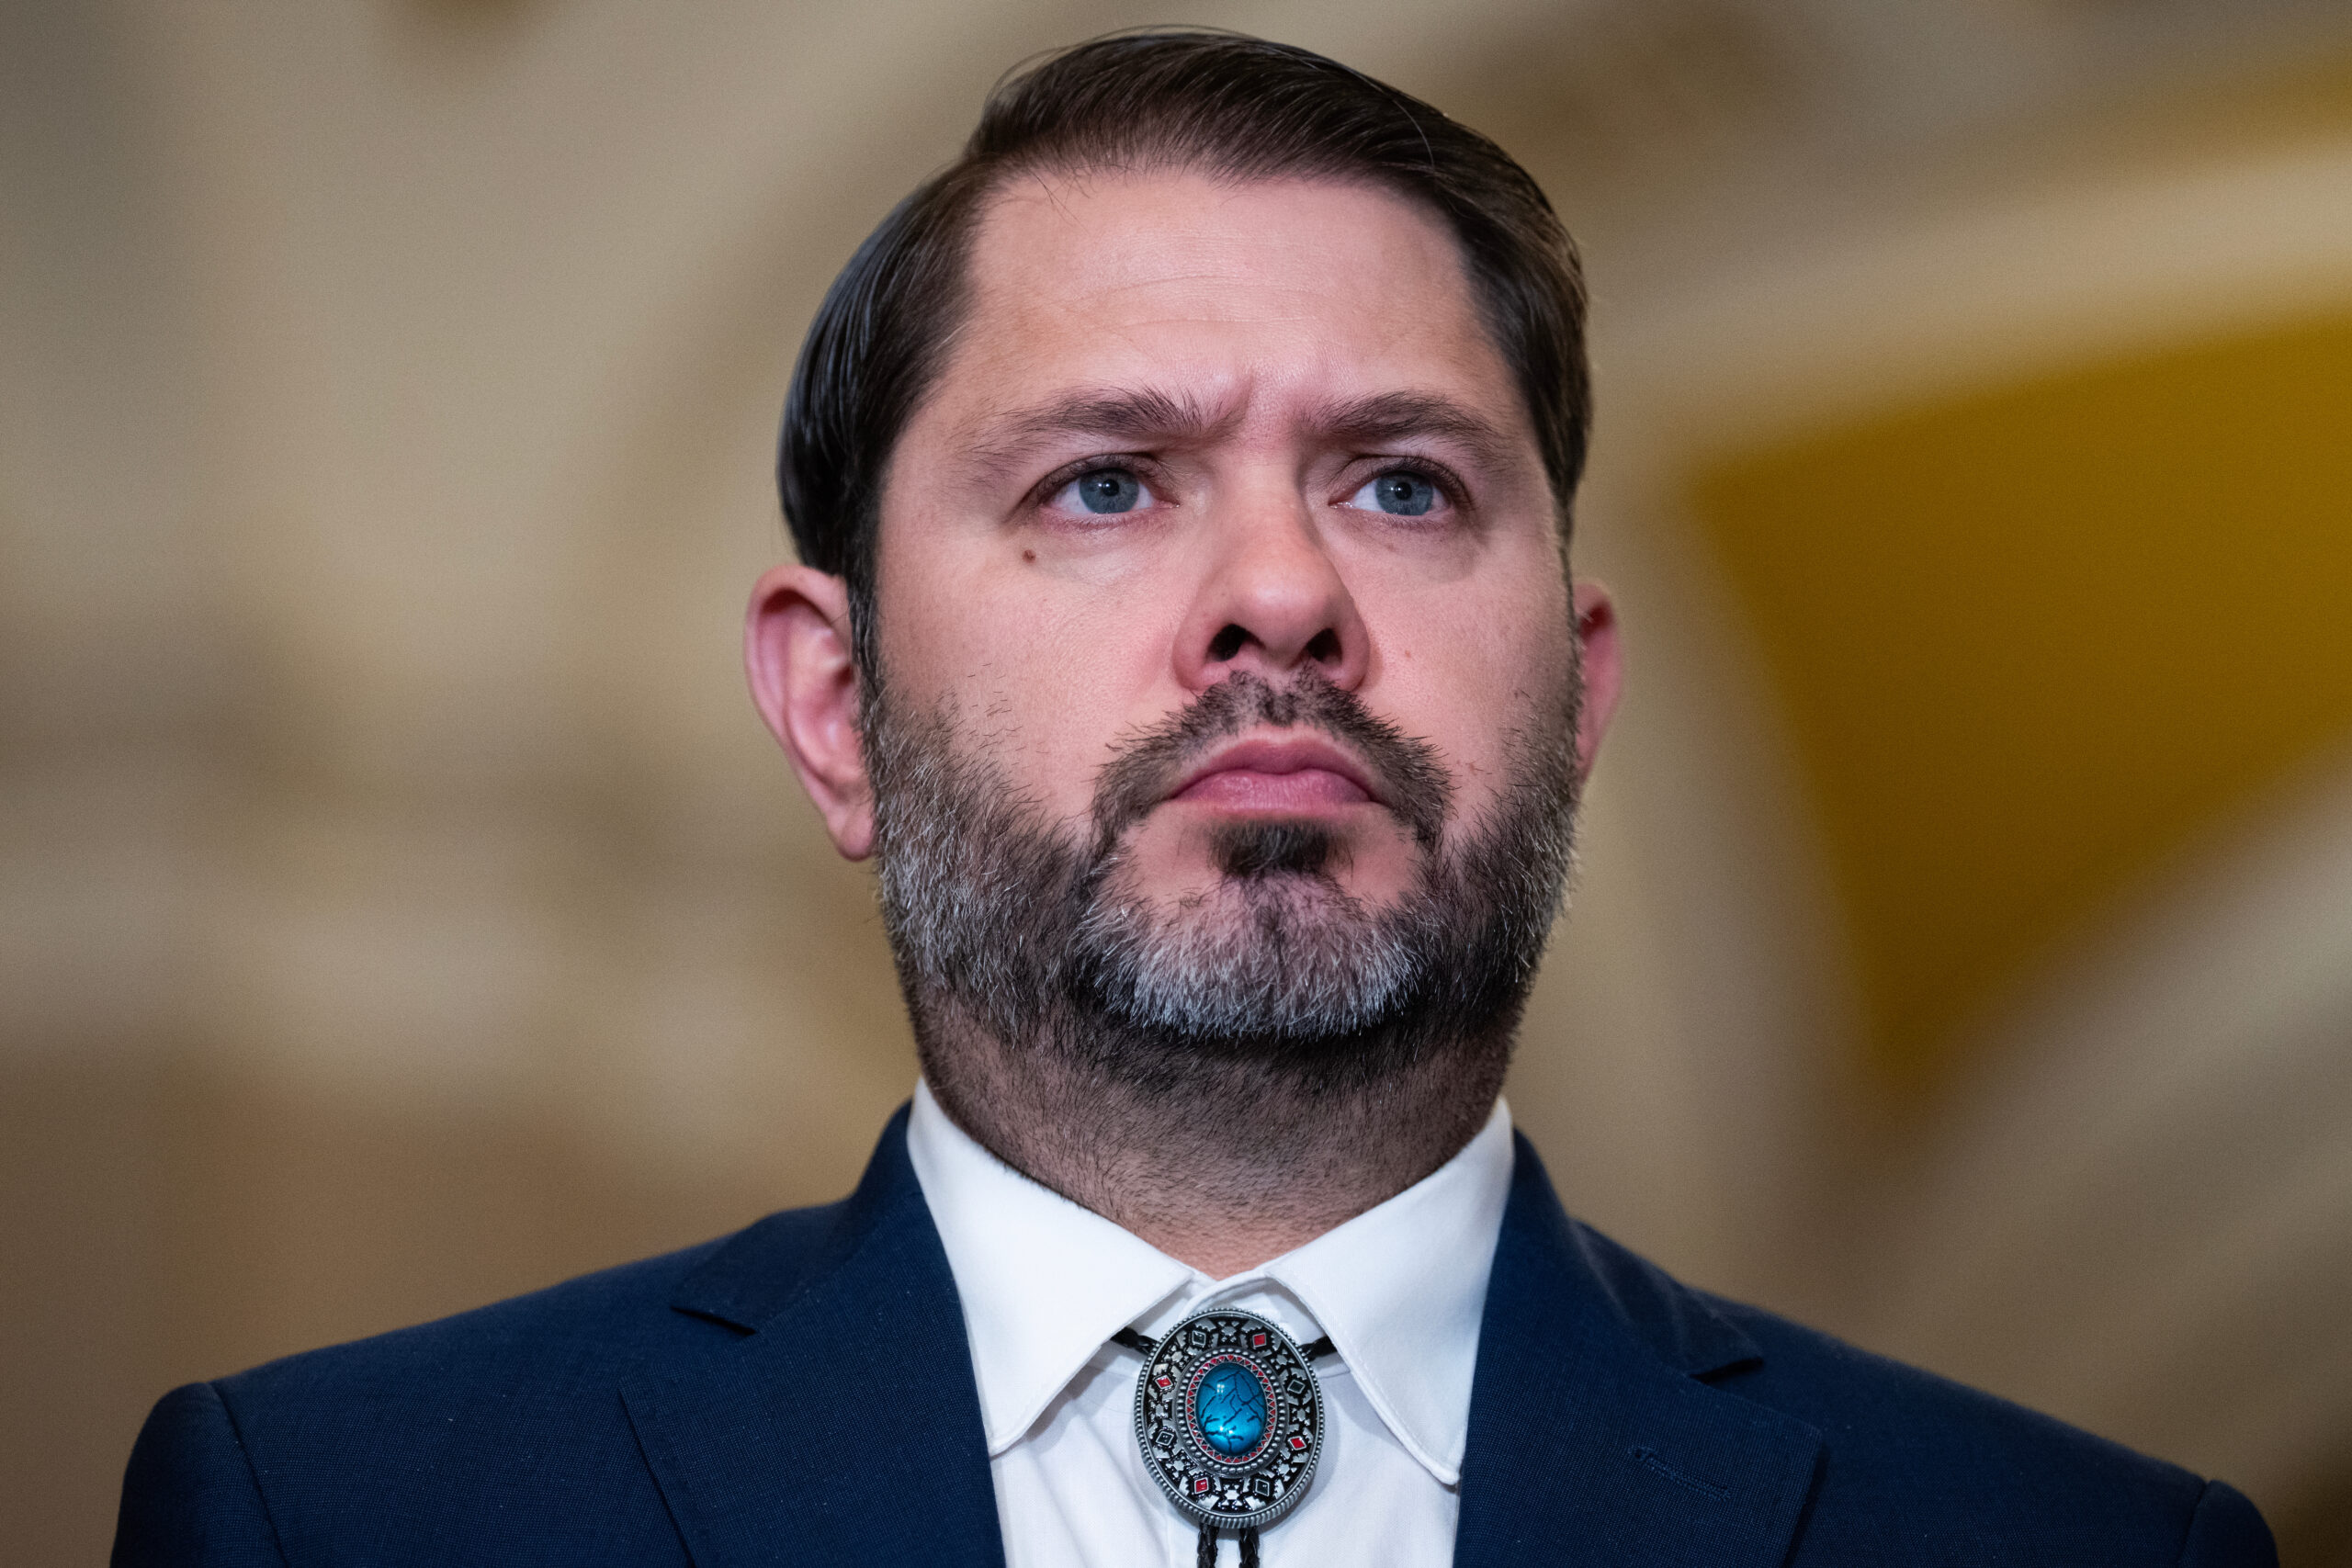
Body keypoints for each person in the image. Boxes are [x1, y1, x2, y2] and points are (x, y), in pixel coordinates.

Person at [113, 30, 2274, 1568]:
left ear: (1578, 687)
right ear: (836, 705)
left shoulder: (2072, 1544)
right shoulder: (343, 1510)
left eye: (1404, 482)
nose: (1277, 594)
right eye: (1108, 479)